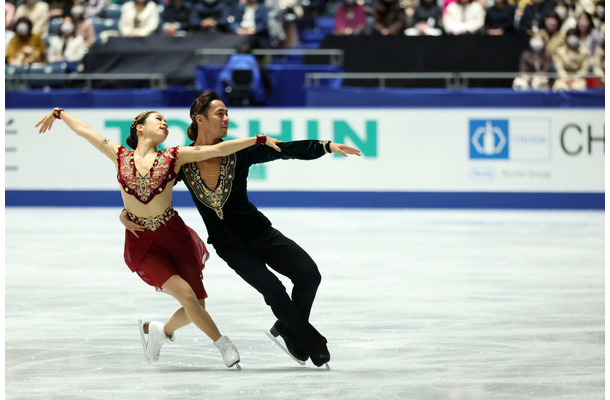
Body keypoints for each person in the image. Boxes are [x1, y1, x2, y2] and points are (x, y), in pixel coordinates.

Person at [120, 90, 362, 368]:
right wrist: (124, 214)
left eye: (227, 114)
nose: (226, 118)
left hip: (260, 233)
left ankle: (288, 329)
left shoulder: (238, 152)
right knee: (274, 290)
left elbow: (285, 149)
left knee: (309, 275)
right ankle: (312, 341)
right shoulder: (181, 163)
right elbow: (147, 190)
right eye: (219, 113)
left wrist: (326, 146)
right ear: (200, 119)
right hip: (230, 246)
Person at [36, 107, 283, 368]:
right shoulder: (119, 155)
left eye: (166, 121)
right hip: (142, 240)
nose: (165, 123)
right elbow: (86, 132)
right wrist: (60, 114)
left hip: (173, 235)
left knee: (197, 304)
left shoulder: (174, 156)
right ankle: (223, 344)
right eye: (159, 120)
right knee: (188, 298)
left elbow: (218, 150)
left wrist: (257, 139)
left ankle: (160, 330)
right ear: (140, 128)